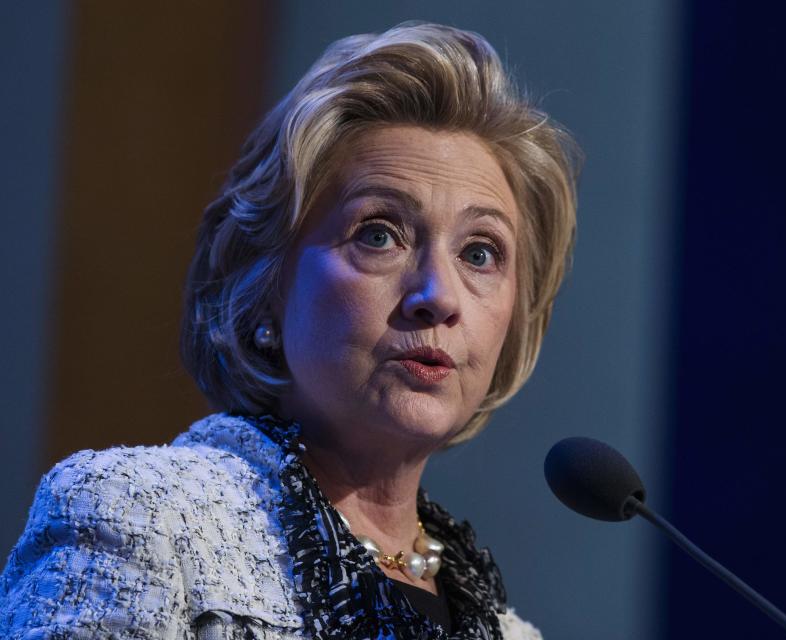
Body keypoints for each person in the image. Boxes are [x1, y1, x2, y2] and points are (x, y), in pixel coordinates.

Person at [0, 21, 579, 639]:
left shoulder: (511, 633)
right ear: (267, 283)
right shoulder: (140, 519)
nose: (437, 296)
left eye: (480, 253)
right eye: (379, 234)